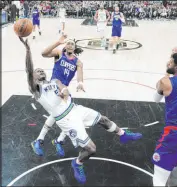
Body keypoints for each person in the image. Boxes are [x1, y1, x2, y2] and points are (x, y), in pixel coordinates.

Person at [19, 37, 143, 184]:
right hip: (66, 119)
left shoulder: (55, 81)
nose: (40, 71)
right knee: (91, 149)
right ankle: (77, 163)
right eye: (37, 71)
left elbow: (64, 89)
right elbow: (29, 69)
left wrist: (67, 91)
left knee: (103, 119)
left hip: (75, 109)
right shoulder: (37, 90)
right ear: (32, 78)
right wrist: (27, 50)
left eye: (41, 70)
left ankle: (123, 135)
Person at [31, 35, 84, 157]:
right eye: (68, 43)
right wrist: (57, 42)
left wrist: (80, 83)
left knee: (66, 115)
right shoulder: (59, 53)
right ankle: (49, 140)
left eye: (72, 43)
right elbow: (43, 53)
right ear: (65, 46)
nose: (70, 44)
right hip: (53, 87)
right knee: (63, 114)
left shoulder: (78, 62)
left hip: (64, 90)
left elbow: (80, 75)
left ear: (74, 47)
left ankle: (51, 140)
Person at [152, 52, 177, 186]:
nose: (168, 62)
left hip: (175, 134)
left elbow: (156, 99)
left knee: (159, 177)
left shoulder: (166, 82)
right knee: (168, 168)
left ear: (176, 67)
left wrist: (165, 75)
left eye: (170, 61)